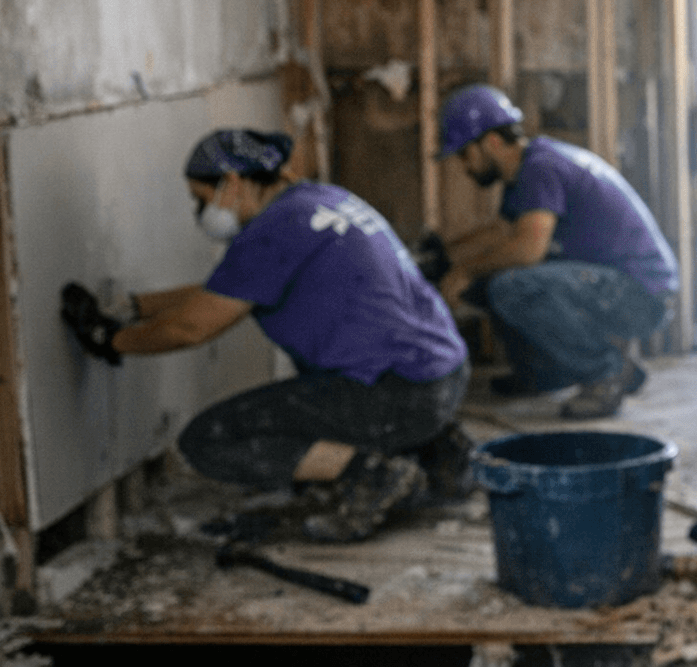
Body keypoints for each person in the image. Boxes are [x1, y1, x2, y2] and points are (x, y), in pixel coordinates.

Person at [61, 128, 472, 542]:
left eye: (201, 198)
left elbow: (192, 327)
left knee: (208, 440)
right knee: (314, 399)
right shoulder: (318, 201)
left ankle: (374, 475)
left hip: (394, 394)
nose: (200, 211)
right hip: (443, 380)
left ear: (233, 183)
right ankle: (432, 449)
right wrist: (135, 306)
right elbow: (223, 292)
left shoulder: (270, 232)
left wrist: (110, 339)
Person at [434, 84, 678, 420]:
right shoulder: (529, 169)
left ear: (491, 142)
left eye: (465, 154)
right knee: (490, 284)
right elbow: (501, 233)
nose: (464, 166)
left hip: (641, 294)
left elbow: (528, 249)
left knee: (511, 286)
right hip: (623, 285)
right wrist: (444, 256)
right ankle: (543, 375)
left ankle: (605, 373)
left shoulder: (539, 168)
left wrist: (463, 271)